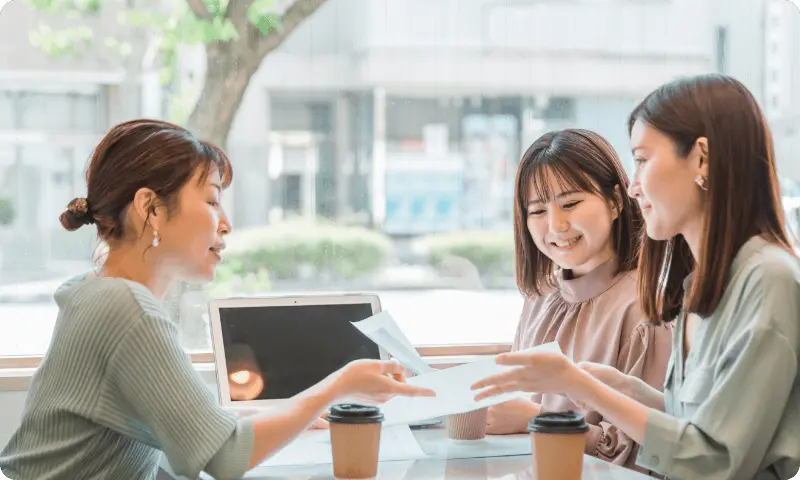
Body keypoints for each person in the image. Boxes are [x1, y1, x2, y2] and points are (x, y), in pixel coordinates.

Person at [0, 119, 434, 480]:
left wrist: (292, 416)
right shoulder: (125, 309)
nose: (225, 224)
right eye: (211, 200)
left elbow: (191, 436)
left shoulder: (96, 292)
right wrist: (340, 385)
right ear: (150, 208)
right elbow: (224, 458)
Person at [472, 74, 800, 480]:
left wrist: (585, 388)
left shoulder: (769, 281)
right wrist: (620, 387)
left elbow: (715, 462)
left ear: (701, 159)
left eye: (643, 160)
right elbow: (692, 423)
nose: (632, 186)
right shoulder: (698, 283)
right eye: (537, 211)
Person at [485, 128, 672, 472]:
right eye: (538, 211)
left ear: (616, 201)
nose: (556, 226)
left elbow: (640, 457)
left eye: (570, 203)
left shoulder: (645, 310)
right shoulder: (540, 299)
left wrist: (538, 420)